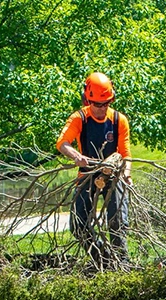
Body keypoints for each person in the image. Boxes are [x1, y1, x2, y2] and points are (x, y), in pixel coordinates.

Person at [56, 72, 133, 268]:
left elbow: (125, 153)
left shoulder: (118, 120)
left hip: (114, 176)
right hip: (87, 175)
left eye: (105, 104)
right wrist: (76, 156)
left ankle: (122, 265)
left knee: (117, 224)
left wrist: (127, 173)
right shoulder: (79, 118)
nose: (101, 108)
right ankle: (103, 259)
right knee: (78, 225)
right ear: (88, 100)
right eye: (97, 104)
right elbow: (62, 143)